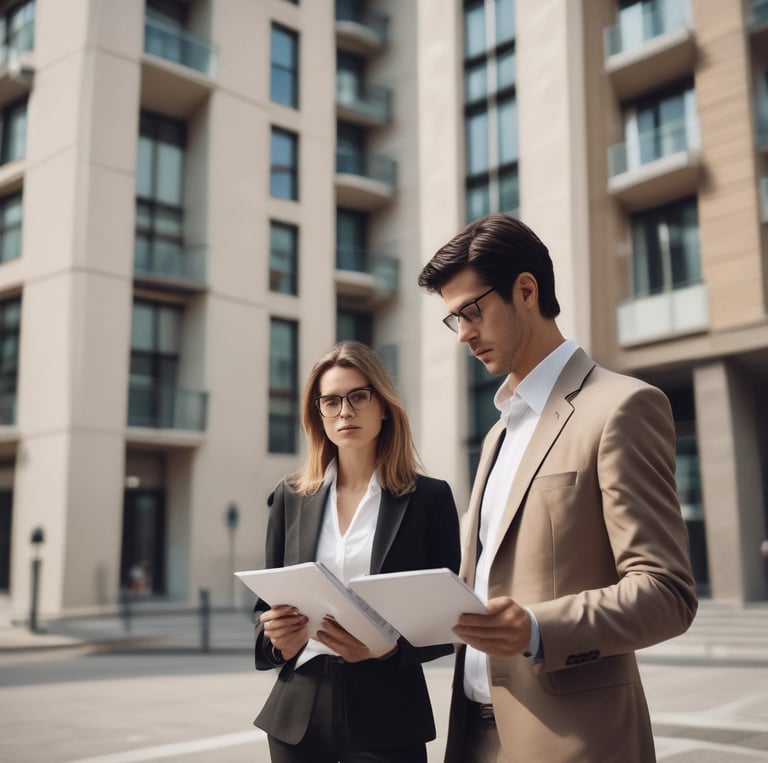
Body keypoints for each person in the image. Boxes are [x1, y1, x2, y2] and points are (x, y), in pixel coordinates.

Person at [417, 214, 698, 763]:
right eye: (454, 321)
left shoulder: (622, 407)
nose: (465, 334)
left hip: (572, 742)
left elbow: (667, 593)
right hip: (471, 734)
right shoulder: (499, 431)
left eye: (471, 312)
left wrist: (537, 627)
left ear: (526, 290)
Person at [252, 340, 461, 763]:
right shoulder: (290, 496)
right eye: (330, 401)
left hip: (388, 715)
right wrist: (277, 641)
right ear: (319, 415)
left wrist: (384, 648)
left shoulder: (429, 499)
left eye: (358, 397)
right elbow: (265, 608)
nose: (344, 411)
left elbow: (450, 623)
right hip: (298, 715)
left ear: (383, 406)